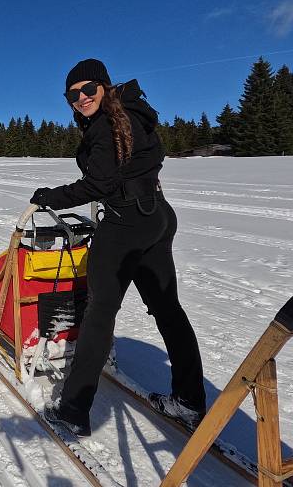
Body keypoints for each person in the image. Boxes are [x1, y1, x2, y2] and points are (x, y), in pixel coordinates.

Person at [30, 58, 205, 437]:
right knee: (167, 308)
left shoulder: (108, 125)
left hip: (127, 223)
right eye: (72, 94)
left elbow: (100, 185)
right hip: (157, 215)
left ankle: (73, 409)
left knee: (99, 312)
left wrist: (50, 198)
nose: (81, 98)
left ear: (105, 87)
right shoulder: (131, 113)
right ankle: (189, 401)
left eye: (88, 89)